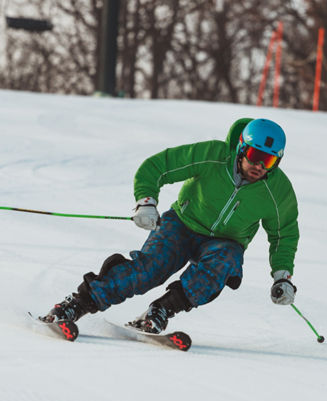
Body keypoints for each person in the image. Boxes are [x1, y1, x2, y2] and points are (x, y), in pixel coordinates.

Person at [40, 117, 299, 334]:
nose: (258, 166)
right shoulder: (212, 156)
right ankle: (76, 304)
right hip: (182, 224)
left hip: (224, 242)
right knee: (151, 270)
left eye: (268, 161)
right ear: (242, 148)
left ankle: (160, 311)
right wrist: (146, 202)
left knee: (226, 261)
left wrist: (282, 276)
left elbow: (283, 234)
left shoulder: (278, 191)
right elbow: (158, 167)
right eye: (254, 156)